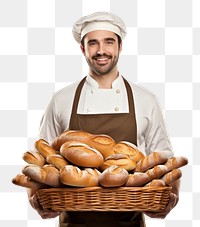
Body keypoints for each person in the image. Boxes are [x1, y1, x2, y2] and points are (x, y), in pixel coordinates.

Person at [27, 11, 180, 227]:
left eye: (109, 42)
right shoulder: (61, 99)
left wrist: (171, 196)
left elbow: (165, 159)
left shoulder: (146, 99)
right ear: (82, 49)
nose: (101, 51)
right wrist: (35, 197)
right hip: (73, 222)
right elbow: (41, 159)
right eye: (93, 43)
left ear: (119, 46)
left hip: (130, 222)